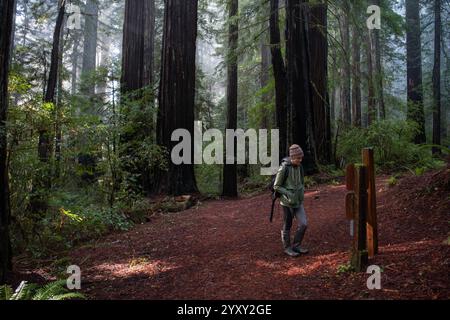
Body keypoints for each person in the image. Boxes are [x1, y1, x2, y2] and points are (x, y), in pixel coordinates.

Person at [273, 144, 309, 257]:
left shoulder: (300, 167)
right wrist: (289, 194)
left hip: (298, 201)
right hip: (287, 202)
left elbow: (302, 182)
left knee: (303, 224)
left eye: (301, 158)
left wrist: (301, 191)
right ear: (292, 157)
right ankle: (287, 248)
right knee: (287, 225)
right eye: (298, 158)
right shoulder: (284, 168)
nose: (300, 160)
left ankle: (296, 245)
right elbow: (276, 186)